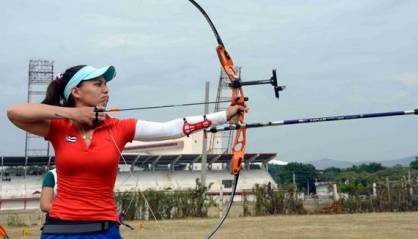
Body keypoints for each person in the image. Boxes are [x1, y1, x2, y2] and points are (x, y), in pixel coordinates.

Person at [7, 65, 245, 239]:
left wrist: (224, 115)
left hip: (103, 229)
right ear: (76, 92)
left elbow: (173, 128)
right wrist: (71, 114)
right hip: (59, 230)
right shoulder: (58, 128)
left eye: (106, 84)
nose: (106, 90)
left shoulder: (119, 128)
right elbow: (14, 113)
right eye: (98, 84)